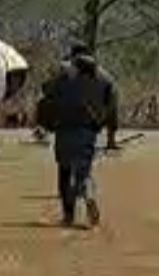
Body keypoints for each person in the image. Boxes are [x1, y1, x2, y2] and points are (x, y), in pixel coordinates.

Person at [37, 42, 119, 227]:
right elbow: (112, 107)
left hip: (64, 129)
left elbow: (46, 93)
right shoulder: (105, 78)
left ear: (72, 56)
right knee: (83, 171)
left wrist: (45, 125)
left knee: (64, 172)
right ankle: (88, 195)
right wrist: (111, 137)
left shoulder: (65, 75)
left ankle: (68, 215)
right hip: (88, 130)